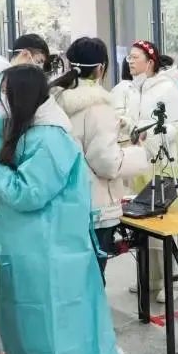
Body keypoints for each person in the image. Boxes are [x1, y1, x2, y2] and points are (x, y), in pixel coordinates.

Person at [0, 65, 122, 354]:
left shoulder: (51, 138)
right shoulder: (25, 131)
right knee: (16, 313)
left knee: (47, 317)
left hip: (49, 247)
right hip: (20, 244)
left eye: (4, 92)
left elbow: (30, 193)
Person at [52, 37, 150, 277]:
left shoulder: (56, 100)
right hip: (94, 206)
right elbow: (106, 163)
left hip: (64, 201)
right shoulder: (99, 106)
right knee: (93, 279)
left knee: (71, 276)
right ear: (100, 68)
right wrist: (138, 153)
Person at [119, 40, 178, 303]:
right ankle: (149, 278)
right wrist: (126, 123)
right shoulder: (132, 89)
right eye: (129, 56)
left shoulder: (167, 88)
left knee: (166, 223)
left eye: (135, 57)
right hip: (141, 162)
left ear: (150, 62)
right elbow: (135, 120)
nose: (130, 60)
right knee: (144, 223)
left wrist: (153, 134)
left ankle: (173, 281)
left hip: (164, 164)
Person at [0, 34, 51, 158]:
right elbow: (2, 124)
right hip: (2, 152)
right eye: (39, 62)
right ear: (25, 54)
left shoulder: (11, 80)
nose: (39, 68)